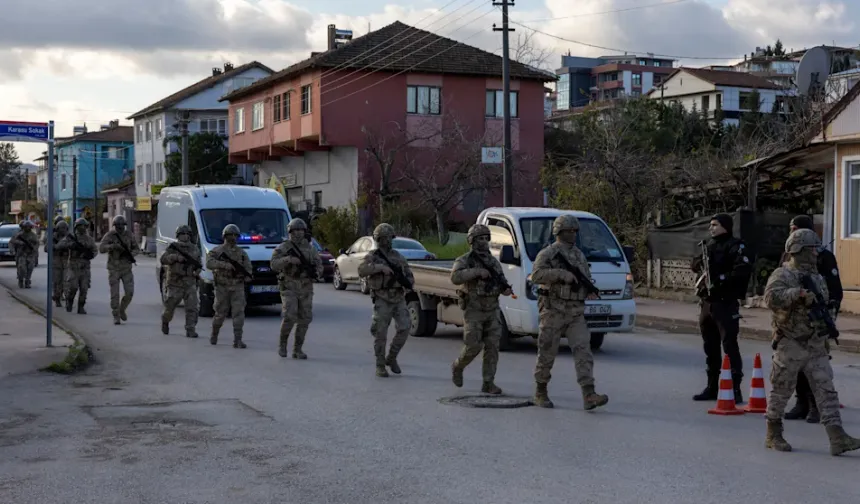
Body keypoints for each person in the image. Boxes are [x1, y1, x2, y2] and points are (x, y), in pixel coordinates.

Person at [763, 228, 860, 456]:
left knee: (826, 390)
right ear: (799, 251)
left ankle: (838, 437)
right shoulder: (783, 275)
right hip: (790, 342)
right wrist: (796, 294)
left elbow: (824, 306)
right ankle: (773, 434)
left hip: (815, 343)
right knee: (781, 390)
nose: (816, 253)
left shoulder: (817, 277)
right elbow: (770, 298)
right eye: (812, 249)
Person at [531, 215, 608, 410]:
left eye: (575, 231)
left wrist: (588, 290)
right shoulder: (548, 253)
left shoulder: (579, 255)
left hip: (575, 312)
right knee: (547, 351)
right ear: (559, 232)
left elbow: (584, 278)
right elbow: (536, 275)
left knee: (583, 351)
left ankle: (589, 394)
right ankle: (541, 390)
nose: (573, 234)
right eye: (569, 231)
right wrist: (560, 274)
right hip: (553, 310)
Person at [778, 215, 842, 424]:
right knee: (794, 365)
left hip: (816, 320)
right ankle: (801, 403)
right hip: (792, 321)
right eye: (791, 228)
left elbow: (835, 291)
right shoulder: (789, 255)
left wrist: (828, 317)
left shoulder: (823, 256)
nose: (792, 231)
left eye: (795, 228)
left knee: (816, 366)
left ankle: (816, 406)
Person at [690, 213, 752, 403]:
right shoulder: (709, 245)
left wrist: (721, 280)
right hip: (708, 303)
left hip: (726, 302)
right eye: (710, 225)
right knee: (710, 347)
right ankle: (712, 387)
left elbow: (741, 270)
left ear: (725, 226)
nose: (711, 228)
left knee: (729, 346)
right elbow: (695, 265)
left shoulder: (736, 246)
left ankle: (735, 388)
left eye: (715, 225)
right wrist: (699, 263)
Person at [450, 224, 513, 394]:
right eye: (480, 239)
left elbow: (501, 281)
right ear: (472, 240)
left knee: (492, 347)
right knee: (472, 346)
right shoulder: (465, 260)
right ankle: (458, 366)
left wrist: (505, 290)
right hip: (474, 310)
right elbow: (455, 277)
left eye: (486, 238)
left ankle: (488, 382)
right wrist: (476, 272)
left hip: (492, 310)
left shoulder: (493, 262)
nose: (484, 242)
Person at [358, 223, 414, 377]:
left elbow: (409, 275)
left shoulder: (398, 257)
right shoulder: (372, 256)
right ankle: (380, 364)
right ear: (378, 239)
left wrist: (408, 284)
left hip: (398, 297)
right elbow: (361, 270)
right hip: (382, 298)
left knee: (405, 327)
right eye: (384, 238)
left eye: (390, 238)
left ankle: (392, 357)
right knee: (380, 333)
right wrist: (379, 268)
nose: (387, 241)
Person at [271, 218, 322, 359]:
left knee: (305, 318)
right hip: (289, 285)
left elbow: (319, 264)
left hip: (305, 287)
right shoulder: (283, 248)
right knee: (289, 316)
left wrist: (317, 272)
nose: (298, 233)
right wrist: (288, 260)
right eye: (295, 231)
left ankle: (297, 349)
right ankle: (282, 345)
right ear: (290, 232)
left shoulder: (310, 249)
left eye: (301, 230)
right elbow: (274, 264)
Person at [206, 224, 253, 348]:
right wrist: (224, 265)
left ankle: (238, 339)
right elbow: (209, 263)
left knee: (239, 314)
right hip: (222, 287)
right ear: (224, 236)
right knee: (220, 313)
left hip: (237, 287)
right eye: (230, 235)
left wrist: (247, 276)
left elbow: (248, 268)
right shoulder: (217, 251)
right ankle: (214, 334)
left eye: (235, 235)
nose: (232, 237)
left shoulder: (242, 253)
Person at [160, 225, 202, 338]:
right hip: (175, 282)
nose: (185, 236)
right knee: (170, 306)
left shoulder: (194, 249)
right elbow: (163, 259)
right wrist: (174, 257)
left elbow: (199, 263)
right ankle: (165, 321)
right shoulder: (173, 247)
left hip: (190, 282)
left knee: (192, 307)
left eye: (188, 234)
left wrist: (196, 272)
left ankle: (190, 329)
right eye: (183, 234)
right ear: (178, 236)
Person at [99, 215, 140, 325]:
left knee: (129, 293)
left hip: (126, 268)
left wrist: (131, 255)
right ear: (115, 226)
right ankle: (116, 315)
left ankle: (122, 309)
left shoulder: (129, 235)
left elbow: (136, 248)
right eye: (118, 226)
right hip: (114, 268)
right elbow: (101, 248)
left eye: (122, 226)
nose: (120, 228)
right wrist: (112, 247)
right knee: (115, 294)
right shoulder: (110, 235)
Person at [58, 218, 98, 314]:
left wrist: (89, 255)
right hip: (73, 266)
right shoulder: (71, 237)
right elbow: (60, 245)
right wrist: (70, 245)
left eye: (84, 226)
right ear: (77, 227)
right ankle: (70, 301)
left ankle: (81, 306)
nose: (83, 228)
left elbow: (95, 251)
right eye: (81, 226)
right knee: (73, 287)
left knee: (84, 289)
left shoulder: (89, 239)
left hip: (85, 267)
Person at [45, 219, 70, 307]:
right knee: (57, 282)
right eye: (61, 228)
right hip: (56, 262)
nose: (63, 230)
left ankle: (67, 299)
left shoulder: (69, 237)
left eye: (65, 228)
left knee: (67, 282)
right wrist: (56, 247)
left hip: (66, 262)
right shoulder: (53, 237)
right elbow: (46, 248)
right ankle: (57, 298)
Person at [10, 220, 39, 288]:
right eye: (26, 227)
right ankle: (20, 280)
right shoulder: (20, 235)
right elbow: (12, 241)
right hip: (22, 254)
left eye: (29, 227)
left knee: (30, 268)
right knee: (22, 268)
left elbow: (37, 243)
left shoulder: (33, 235)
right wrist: (20, 243)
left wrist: (35, 249)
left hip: (30, 254)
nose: (27, 228)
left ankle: (27, 281)